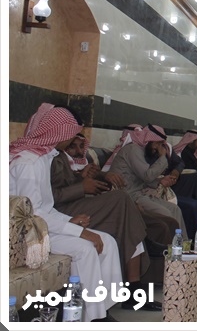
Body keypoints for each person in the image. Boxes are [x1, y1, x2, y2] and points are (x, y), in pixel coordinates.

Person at [9, 103, 122, 322]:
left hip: (41, 227)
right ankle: (91, 318)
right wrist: (81, 232)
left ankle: (102, 309)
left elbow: (45, 208)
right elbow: (32, 216)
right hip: (24, 236)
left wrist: (71, 221)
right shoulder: (29, 163)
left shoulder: (43, 157)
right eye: (70, 134)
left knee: (107, 241)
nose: (71, 139)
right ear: (58, 133)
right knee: (86, 248)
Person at [49, 134, 161, 311]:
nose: (73, 146)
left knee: (124, 206)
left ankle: (134, 289)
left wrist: (83, 179)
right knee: (121, 200)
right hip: (61, 211)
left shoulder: (58, 154)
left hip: (75, 202)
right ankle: (134, 287)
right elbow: (47, 199)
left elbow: (66, 181)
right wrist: (81, 186)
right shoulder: (39, 159)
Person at [108, 123, 188, 234]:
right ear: (149, 140)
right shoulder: (133, 150)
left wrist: (160, 181)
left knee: (175, 209)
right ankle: (170, 243)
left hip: (139, 193)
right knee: (165, 213)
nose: (158, 148)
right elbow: (147, 176)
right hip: (128, 196)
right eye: (157, 144)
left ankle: (182, 243)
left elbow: (141, 178)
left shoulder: (139, 150)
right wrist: (162, 157)